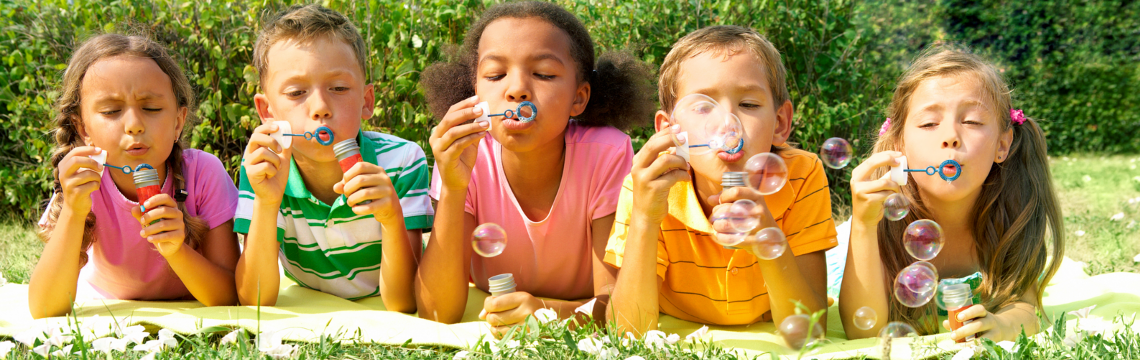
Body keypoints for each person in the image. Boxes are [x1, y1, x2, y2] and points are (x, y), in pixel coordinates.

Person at [416, 1, 654, 336]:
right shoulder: (465, 154)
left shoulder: (606, 153)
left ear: (579, 98)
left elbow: (616, 305)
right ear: (475, 92)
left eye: (543, 74)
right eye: (496, 75)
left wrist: (546, 313)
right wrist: (454, 188)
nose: (515, 89)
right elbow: (436, 311)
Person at [606, 25, 838, 335]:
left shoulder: (802, 175)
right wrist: (646, 219)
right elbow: (626, 332)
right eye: (703, 106)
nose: (727, 127)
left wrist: (768, 240)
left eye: (748, 105)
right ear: (668, 131)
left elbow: (809, 330)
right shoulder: (648, 187)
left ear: (780, 124)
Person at [839, 46, 1063, 342]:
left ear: (1002, 145)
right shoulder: (880, 220)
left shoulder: (1011, 213)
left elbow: (1026, 307)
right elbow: (862, 331)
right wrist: (864, 225)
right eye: (929, 123)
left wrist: (1002, 326)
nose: (950, 136)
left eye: (971, 121)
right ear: (899, 147)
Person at [234, 5, 432, 311]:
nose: (320, 107)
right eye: (297, 92)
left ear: (367, 102)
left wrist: (392, 219)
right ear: (267, 112)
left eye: (338, 88)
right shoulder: (264, 169)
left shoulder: (402, 162)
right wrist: (267, 202)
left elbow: (405, 301)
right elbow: (255, 299)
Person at [30, 34, 240, 318]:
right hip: (109, 303)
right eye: (111, 111)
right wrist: (72, 210)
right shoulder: (83, 179)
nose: (134, 125)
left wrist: (176, 250)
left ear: (178, 122)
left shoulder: (203, 173)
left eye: (151, 108)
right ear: (83, 129)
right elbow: (44, 309)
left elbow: (229, 296)